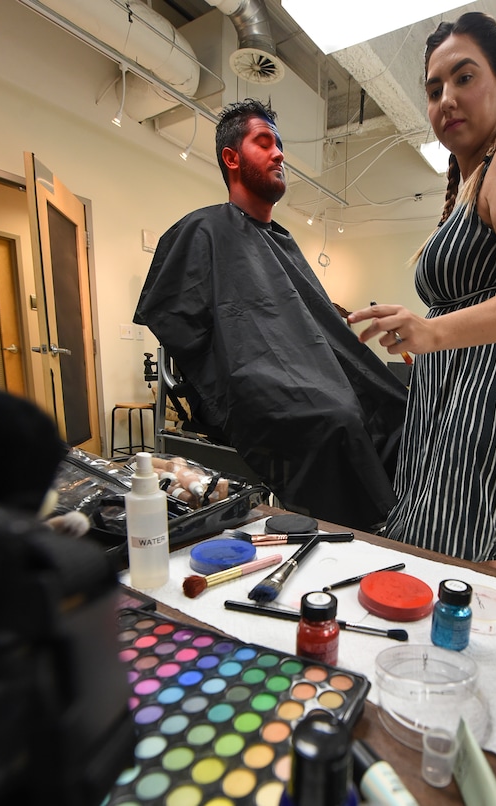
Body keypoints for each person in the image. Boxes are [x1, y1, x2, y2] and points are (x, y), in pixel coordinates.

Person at [348, 12, 496, 567]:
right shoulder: (473, 180)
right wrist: (424, 325)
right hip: (454, 380)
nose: (445, 98)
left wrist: (432, 329)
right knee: (458, 546)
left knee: (448, 545)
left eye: (463, 77)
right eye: (433, 89)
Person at [134, 99, 407, 531]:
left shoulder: (283, 242)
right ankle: (355, 531)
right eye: (265, 143)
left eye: (280, 144)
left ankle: (401, 522)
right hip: (254, 381)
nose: (280, 153)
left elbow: (309, 322)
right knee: (337, 419)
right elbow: (187, 323)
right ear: (232, 158)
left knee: (396, 404)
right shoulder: (203, 230)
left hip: (306, 373)